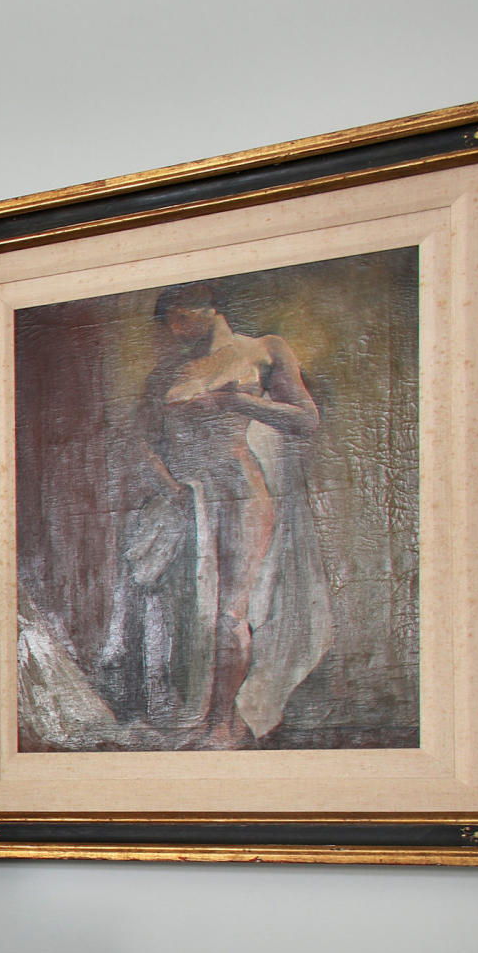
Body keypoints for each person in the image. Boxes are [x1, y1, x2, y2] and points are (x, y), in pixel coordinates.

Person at [103, 279, 332, 747]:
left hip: (239, 488)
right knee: (184, 610)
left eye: (178, 316)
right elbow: (144, 440)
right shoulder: (168, 373)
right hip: (186, 498)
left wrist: (236, 401)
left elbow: (306, 419)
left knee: (230, 611)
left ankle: (222, 723)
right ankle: (188, 712)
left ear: (205, 306)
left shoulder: (265, 350)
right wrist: (170, 488)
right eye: (169, 323)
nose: (173, 329)